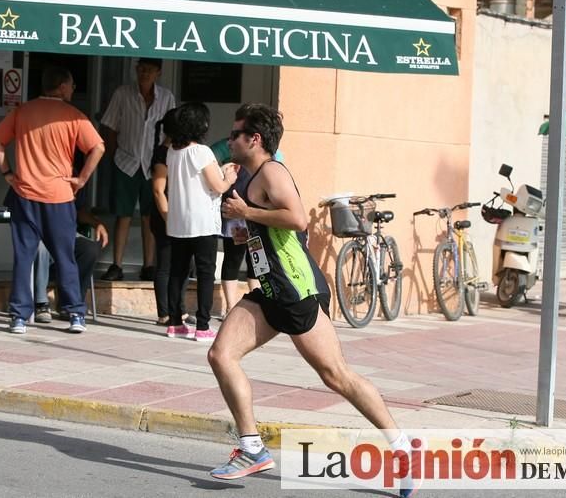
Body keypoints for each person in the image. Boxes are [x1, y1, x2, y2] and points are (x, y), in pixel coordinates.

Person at [211, 103, 417, 496]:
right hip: (271, 290)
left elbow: (298, 219)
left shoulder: (271, 171)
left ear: (254, 139)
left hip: (294, 290)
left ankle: (402, 449)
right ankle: (252, 448)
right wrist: (249, 231)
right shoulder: (253, 174)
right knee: (221, 355)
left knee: (336, 375)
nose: (230, 139)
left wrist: (245, 210)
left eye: (236, 134)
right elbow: (276, 228)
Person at [0, 65, 105, 335]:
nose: (74, 90)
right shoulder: (73, 116)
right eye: (72, 85)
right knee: (65, 256)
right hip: (60, 196)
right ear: (63, 86)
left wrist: (7, 172)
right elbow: (98, 147)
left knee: (23, 257)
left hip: (24, 194)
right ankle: (76, 314)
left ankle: (18, 317)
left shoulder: (23, 111)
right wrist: (82, 179)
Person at [165, 102, 238, 342]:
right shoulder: (202, 152)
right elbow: (217, 186)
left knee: (178, 272)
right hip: (202, 222)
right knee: (206, 273)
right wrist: (229, 177)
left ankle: (175, 322)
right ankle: (203, 325)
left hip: (178, 221)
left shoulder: (172, 152)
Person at [99, 57, 175, 282]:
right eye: (141, 69)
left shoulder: (166, 97)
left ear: (158, 73)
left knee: (149, 217)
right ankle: (117, 264)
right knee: (123, 214)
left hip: (153, 164)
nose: (144, 74)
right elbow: (110, 126)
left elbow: (172, 130)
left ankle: (148, 265)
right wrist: (114, 155)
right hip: (126, 161)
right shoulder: (123, 94)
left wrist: (162, 155)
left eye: (149, 71)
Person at [210, 139, 283, 317]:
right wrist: (225, 168)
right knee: (232, 259)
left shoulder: (274, 153)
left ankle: (259, 305)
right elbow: (209, 161)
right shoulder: (228, 145)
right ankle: (230, 307)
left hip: (257, 213)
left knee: (256, 262)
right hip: (234, 210)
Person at [149, 108, 195, 326]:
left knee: (183, 264)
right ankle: (164, 312)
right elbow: (159, 190)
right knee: (166, 265)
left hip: (179, 217)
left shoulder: (178, 151)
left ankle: (180, 309)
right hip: (166, 217)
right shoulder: (162, 153)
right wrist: (169, 219)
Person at [33, 205, 109, 322]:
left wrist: (97, 223)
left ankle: (71, 302)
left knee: (89, 249)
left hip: (66, 233)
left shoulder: (71, 187)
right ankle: (40, 303)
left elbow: (79, 211)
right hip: (40, 232)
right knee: (40, 246)